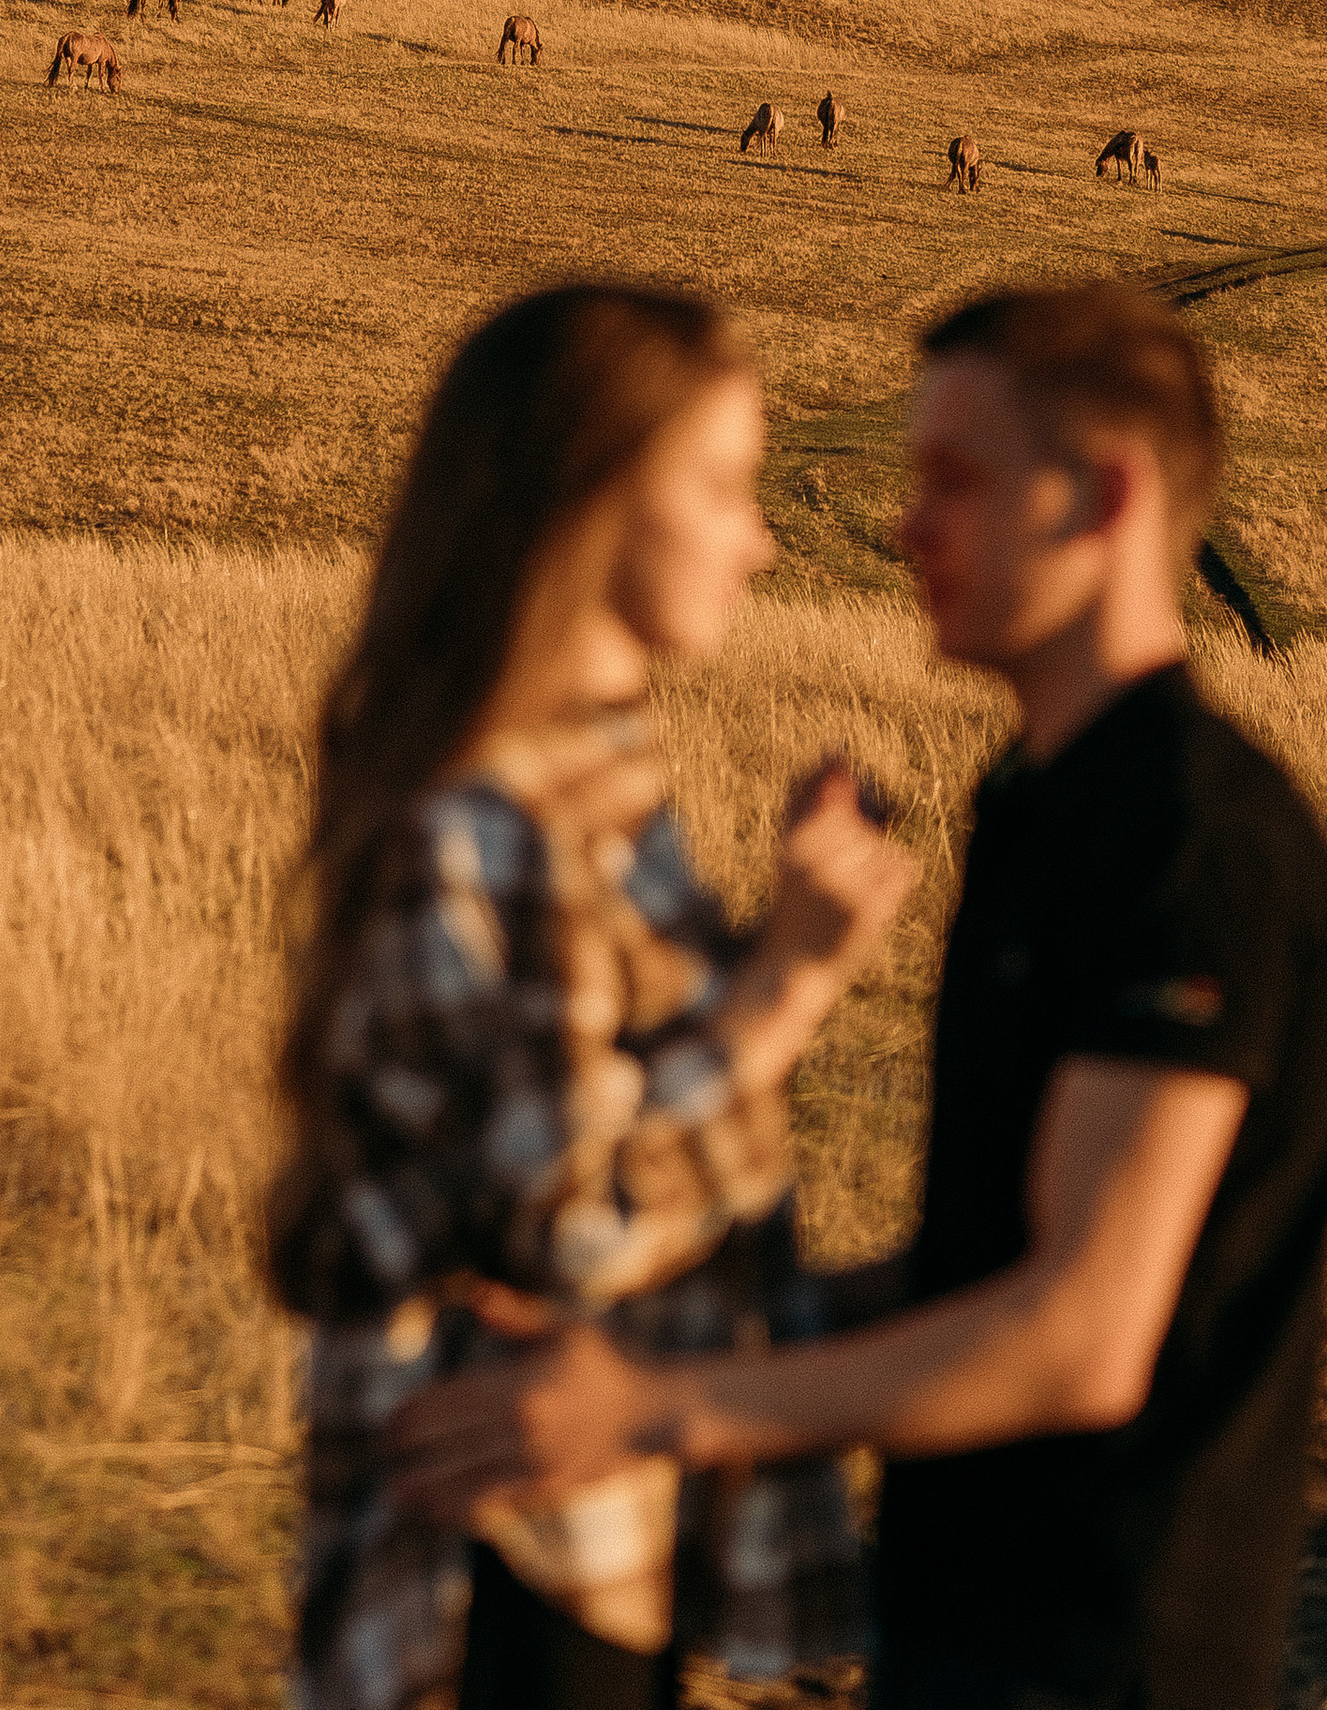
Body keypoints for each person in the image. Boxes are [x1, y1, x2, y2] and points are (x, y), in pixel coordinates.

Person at [394, 282, 1327, 1710]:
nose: (908, 524)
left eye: (955, 481)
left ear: (1103, 497)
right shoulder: (1040, 802)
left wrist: (657, 1414)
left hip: (1109, 1653)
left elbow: (1079, 1336)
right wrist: (680, 1330)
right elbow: (978, 1261)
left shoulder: (1192, 844)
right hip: (964, 1627)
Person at [269, 282, 916, 1710]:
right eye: (726, 487)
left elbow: (572, 1107)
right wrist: (788, 983)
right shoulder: (486, 821)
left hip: (586, 1542)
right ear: (593, 495)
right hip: (493, 1576)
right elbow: (575, 1208)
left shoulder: (591, 784)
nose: (758, 540)